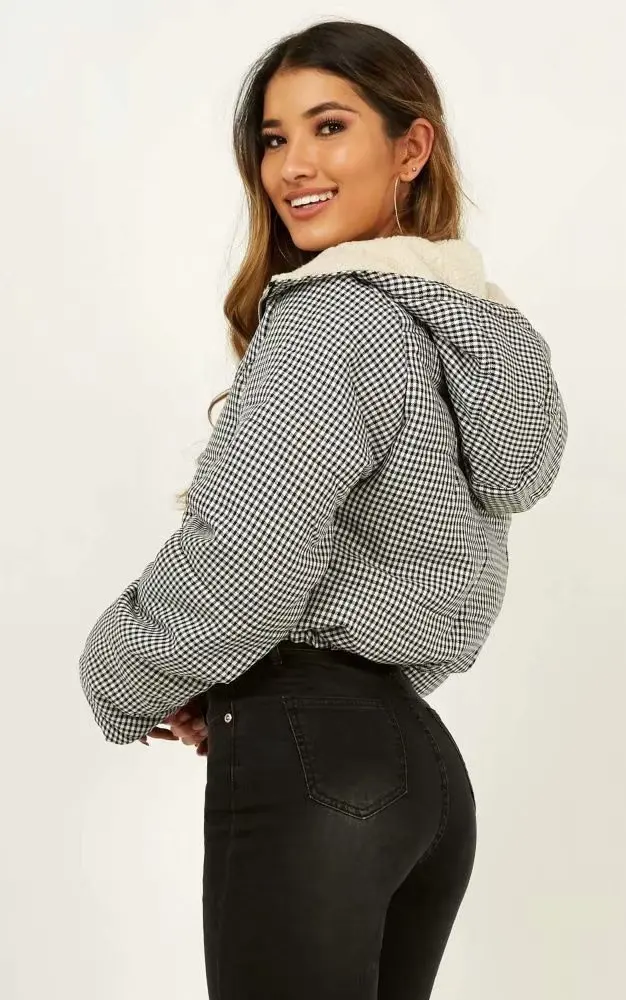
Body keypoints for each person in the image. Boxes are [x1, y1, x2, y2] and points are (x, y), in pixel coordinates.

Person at [78, 18, 569, 999]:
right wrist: (236, 679)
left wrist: (120, 671)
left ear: (411, 148)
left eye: (329, 126)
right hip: (419, 772)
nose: (292, 165)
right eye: (273, 138)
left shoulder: (333, 318)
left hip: (317, 768)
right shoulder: (450, 334)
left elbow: (245, 559)